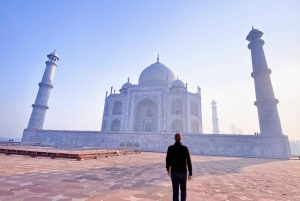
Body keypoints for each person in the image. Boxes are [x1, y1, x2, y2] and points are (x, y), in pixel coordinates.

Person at [166, 133, 192, 201]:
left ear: (174, 139)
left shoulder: (170, 148)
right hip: (183, 172)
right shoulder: (185, 148)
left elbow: (167, 159)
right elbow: (189, 161)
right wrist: (190, 173)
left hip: (174, 172)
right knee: (183, 190)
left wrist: (168, 169)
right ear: (181, 139)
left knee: (175, 191)